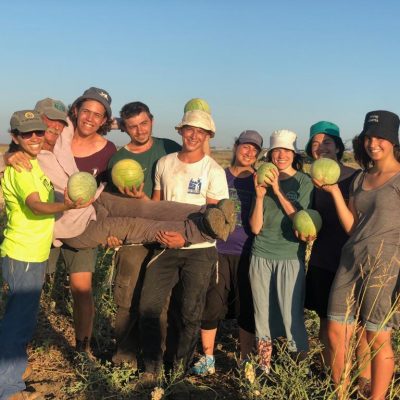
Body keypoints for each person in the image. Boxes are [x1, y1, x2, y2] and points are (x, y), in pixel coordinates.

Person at [139, 109, 230, 380]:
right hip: (165, 246)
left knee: (190, 312)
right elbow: (156, 206)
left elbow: (215, 220)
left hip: (199, 252)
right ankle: (151, 368)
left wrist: (186, 238)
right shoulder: (165, 163)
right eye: (189, 129)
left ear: (208, 136)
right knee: (149, 306)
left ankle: (179, 370)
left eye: (200, 131)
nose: (193, 135)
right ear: (180, 131)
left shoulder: (213, 171)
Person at [0, 110, 83, 400]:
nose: (35, 138)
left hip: (32, 253)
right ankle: (7, 388)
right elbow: (35, 205)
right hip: (21, 253)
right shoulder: (22, 169)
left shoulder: (33, 164)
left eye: (38, 132)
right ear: (15, 137)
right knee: (18, 319)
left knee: (23, 316)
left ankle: (13, 376)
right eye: (27, 134)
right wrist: (67, 207)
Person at [319, 111, 400, 400]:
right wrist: (334, 192)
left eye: (380, 137)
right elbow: (353, 226)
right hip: (351, 258)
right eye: (368, 137)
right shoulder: (360, 178)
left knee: (377, 335)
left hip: (386, 262)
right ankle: (341, 393)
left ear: (393, 140)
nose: (373, 143)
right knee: (335, 330)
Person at [107, 101, 182, 366]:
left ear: (151, 119)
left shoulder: (169, 148)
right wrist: (113, 233)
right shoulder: (118, 159)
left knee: (158, 302)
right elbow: (111, 202)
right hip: (133, 237)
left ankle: (154, 357)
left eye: (144, 123)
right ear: (124, 128)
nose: (139, 130)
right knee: (126, 297)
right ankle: (125, 355)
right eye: (132, 126)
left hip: (165, 235)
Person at [46, 87, 117, 354]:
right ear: (75, 110)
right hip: (45, 219)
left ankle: (82, 349)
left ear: (104, 121)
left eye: (97, 114)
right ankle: (20, 345)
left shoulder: (108, 150)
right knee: (30, 286)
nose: (90, 118)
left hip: (83, 224)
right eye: (86, 110)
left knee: (81, 290)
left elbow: (106, 193)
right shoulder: (54, 136)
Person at [303, 121, 371, 393]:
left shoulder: (355, 178)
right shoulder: (312, 179)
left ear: (339, 146)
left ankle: (363, 380)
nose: (321, 147)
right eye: (316, 143)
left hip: (352, 261)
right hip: (322, 258)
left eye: (327, 142)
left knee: (359, 325)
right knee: (325, 320)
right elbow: (308, 215)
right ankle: (329, 372)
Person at [191, 130, 262, 375]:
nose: (249, 152)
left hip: (247, 252)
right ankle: (208, 357)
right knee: (212, 304)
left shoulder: (259, 181)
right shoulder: (219, 176)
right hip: (218, 250)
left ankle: (245, 361)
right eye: (245, 146)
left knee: (246, 307)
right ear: (235, 146)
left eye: (255, 149)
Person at [249, 129, 313, 373]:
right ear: (270, 155)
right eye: (277, 151)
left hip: (289, 257)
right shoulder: (260, 179)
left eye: (286, 151)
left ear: (293, 154)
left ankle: (300, 371)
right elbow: (255, 228)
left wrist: (277, 190)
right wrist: (259, 195)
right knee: (262, 315)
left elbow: (301, 220)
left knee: (291, 317)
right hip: (261, 254)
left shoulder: (304, 183)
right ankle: (264, 367)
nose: (281, 155)